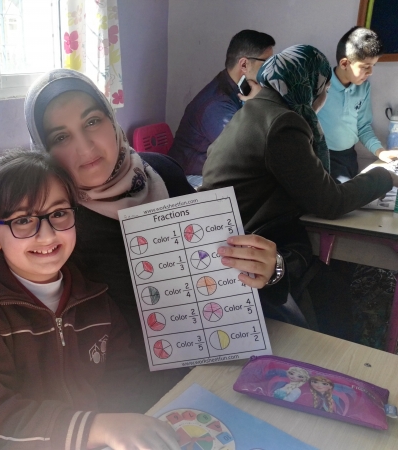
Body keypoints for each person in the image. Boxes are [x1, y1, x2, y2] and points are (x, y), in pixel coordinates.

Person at [0, 69, 279, 449]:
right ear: (44, 149)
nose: (85, 147)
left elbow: (219, 264)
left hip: (204, 368)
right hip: (116, 407)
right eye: (61, 136)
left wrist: (270, 268)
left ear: (111, 119)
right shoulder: (46, 219)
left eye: (92, 121)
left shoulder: (162, 173)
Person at [0, 148, 182, 450]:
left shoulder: (95, 296)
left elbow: (125, 378)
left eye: (58, 214)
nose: (47, 235)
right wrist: (98, 427)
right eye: (23, 220)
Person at [200, 45, 398, 336]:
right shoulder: (284, 123)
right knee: (335, 282)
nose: (324, 98)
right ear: (311, 88)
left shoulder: (253, 111)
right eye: (325, 89)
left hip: (229, 241)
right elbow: (330, 202)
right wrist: (385, 177)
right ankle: (335, 346)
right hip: (254, 256)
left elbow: (309, 186)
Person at [168, 30, 275, 187]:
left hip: (212, 171)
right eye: (267, 63)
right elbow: (246, 152)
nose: (271, 71)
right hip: (188, 179)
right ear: (244, 64)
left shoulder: (238, 88)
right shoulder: (216, 105)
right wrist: (258, 104)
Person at [318, 27, 398, 183]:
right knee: (336, 194)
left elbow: (363, 126)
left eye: (373, 66)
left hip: (348, 156)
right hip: (321, 156)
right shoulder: (320, 85)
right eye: (365, 67)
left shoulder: (363, 88)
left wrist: (380, 152)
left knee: (353, 191)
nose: (370, 72)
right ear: (344, 63)